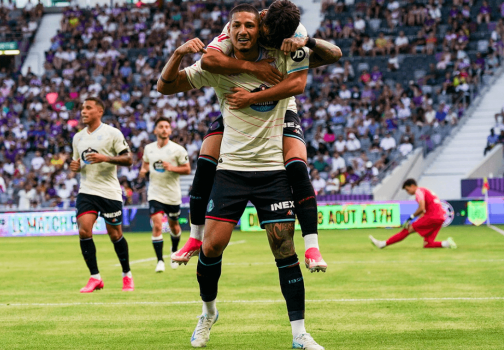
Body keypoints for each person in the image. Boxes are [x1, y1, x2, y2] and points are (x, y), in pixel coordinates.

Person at [158, 5, 323, 349]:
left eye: (249, 24)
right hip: (232, 171)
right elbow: (166, 86)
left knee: (283, 250)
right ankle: (208, 313)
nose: (243, 30)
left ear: (260, 28)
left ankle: (299, 334)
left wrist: (302, 40)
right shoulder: (217, 64)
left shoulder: (282, 55)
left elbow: (318, 65)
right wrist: (176, 54)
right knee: (212, 246)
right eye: (237, 25)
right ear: (228, 30)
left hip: (271, 171)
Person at [172, 0, 342, 274]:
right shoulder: (238, 26)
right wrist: (254, 69)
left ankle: (312, 246)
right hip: (238, 109)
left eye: (278, 39)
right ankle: (194, 237)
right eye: (268, 35)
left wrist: (305, 42)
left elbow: (329, 58)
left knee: (297, 165)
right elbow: (209, 60)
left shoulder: (294, 32)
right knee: (206, 160)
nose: (270, 41)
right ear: (262, 19)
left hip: (280, 109)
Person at [69, 97, 134, 293]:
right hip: (87, 191)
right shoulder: (78, 138)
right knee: (83, 230)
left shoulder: (112, 133)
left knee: (115, 235)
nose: (83, 111)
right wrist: (76, 167)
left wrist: (105, 158)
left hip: (109, 192)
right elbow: (79, 164)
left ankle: (126, 274)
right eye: (82, 108)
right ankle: (95, 277)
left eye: (88, 108)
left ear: (99, 111)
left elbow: (129, 159)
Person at [139, 116, 191, 272]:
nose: (164, 129)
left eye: (167, 126)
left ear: (170, 130)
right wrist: (143, 171)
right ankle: (160, 261)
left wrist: (172, 168)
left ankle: (174, 251)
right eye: (161, 126)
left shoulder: (178, 150)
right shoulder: (149, 148)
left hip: (172, 194)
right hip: (155, 193)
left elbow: (187, 169)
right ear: (155, 130)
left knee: (174, 226)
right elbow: (146, 164)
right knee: (157, 225)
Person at [370, 179, 457, 249]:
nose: (408, 193)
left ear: (412, 186)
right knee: (427, 244)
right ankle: (447, 243)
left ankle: (382, 244)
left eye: (408, 190)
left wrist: (410, 219)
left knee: (407, 229)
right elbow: (423, 211)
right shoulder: (426, 190)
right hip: (440, 218)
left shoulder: (419, 191)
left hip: (432, 217)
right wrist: (417, 222)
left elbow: (421, 207)